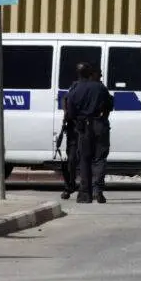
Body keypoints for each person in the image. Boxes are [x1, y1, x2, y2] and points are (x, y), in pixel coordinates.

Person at [65, 63, 113, 204]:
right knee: (100, 158)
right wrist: (103, 118)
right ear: (90, 73)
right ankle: (98, 191)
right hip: (99, 124)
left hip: (83, 127)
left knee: (84, 160)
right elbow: (110, 106)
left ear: (78, 73)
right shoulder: (100, 87)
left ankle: (85, 195)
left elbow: (70, 111)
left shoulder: (74, 89)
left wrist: (78, 121)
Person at [58, 63, 85, 200]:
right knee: (75, 159)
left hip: (77, 128)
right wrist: (66, 115)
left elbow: (65, 101)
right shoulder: (77, 86)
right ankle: (71, 186)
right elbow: (65, 100)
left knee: (75, 159)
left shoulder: (78, 86)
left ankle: (73, 186)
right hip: (76, 128)